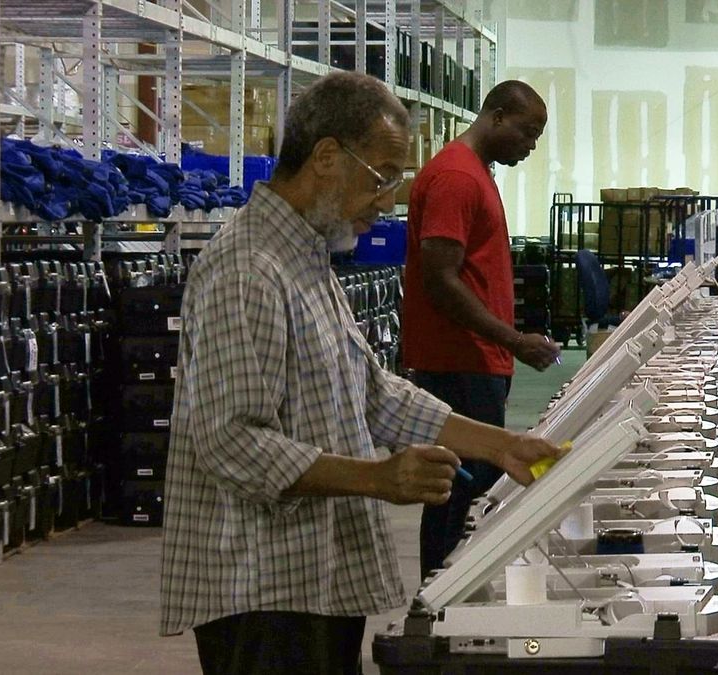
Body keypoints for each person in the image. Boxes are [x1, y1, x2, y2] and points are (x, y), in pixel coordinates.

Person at [159, 71, 560, 675]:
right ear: (326, 157)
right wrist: (378, 478)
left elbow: (370, 391)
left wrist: (503, 446)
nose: (389, 199)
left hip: (312, 577)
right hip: (261, 587)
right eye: (383, 176)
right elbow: (233, 441)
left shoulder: (306, 259)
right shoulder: (247, 270)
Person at [401, 80, 562, 578]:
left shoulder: (475, 173)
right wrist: (512, 340)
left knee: (465, 490)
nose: (530, 146)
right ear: (495, 116)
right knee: (462, 490)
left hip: (475, 359)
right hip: (458, 361)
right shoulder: (457, 178)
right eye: (526, 132)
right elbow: (440, 281)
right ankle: (440, 603)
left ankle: (445, 595)